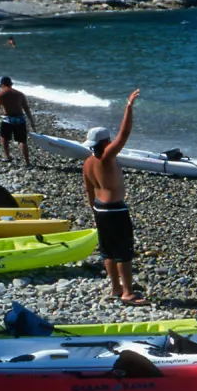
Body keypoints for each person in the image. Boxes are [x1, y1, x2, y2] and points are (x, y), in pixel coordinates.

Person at [82, 89, 147, 305]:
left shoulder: (87, 163)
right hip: (115, 210)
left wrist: (94, 211)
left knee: (108, 251)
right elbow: (124, 134)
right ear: (105, 142)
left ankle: (115, 288)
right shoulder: (106, 157)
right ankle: (128, 293)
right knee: (123, 252)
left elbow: (89, 190)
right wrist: (128, 107)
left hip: (100, 209)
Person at [0, 76, 35, 166]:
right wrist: (31, 121)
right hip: (20, 119)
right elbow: (26, 108)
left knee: (4, 137)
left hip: (8, 119)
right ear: (11, 84)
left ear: (2, 84)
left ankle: (8, 156)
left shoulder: (1, 94)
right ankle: (27, 162)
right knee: (22, 141)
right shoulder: (20, 94)